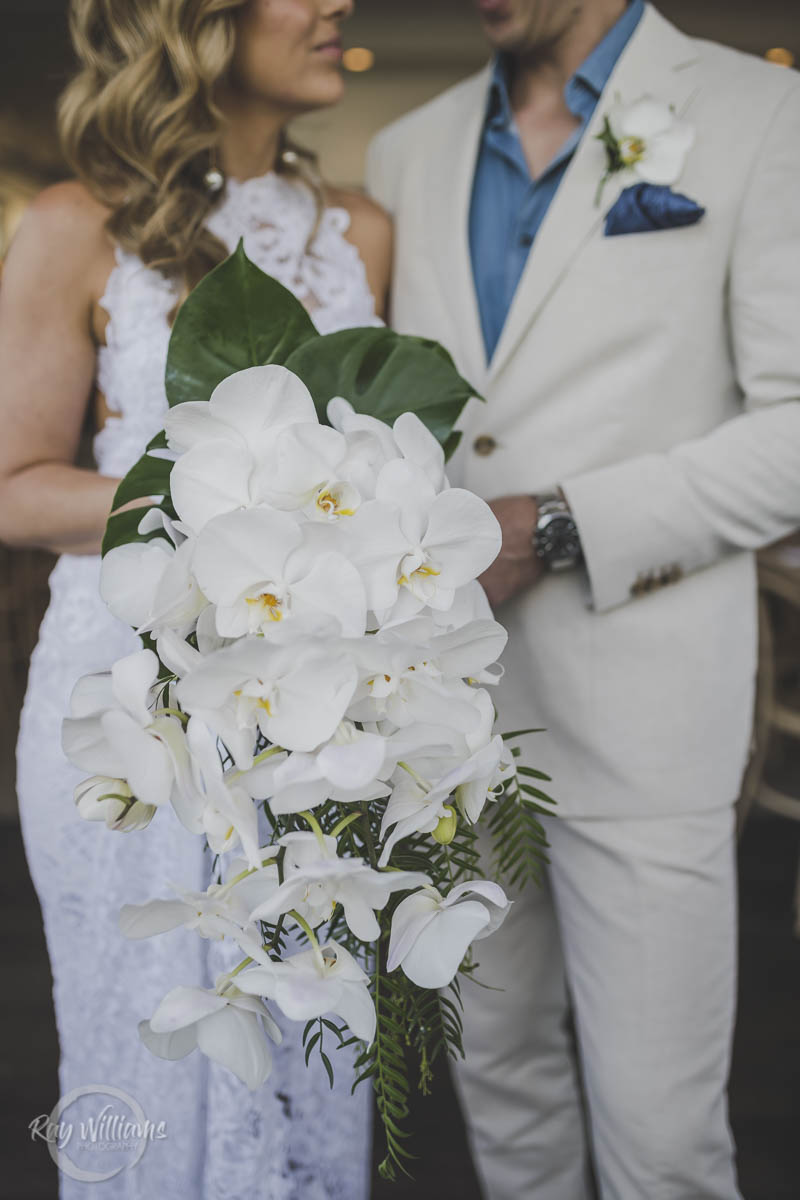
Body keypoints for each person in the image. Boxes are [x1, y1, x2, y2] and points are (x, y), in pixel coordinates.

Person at [367, 1, 800, 1197]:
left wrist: (557, 525)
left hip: (645, 707)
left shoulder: (764, 114)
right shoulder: (406, 148)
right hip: (443, 718)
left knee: (661, 1139)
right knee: (501, 1094)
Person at [0, 1, 390, 1196]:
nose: (338, 6)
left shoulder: (359, 234)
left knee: (315, 1057)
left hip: (313, 705)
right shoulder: (77, 226)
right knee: (153, 1047)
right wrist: (235, 502)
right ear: (196, 22)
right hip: (132, 705)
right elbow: (16, 489)